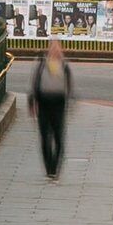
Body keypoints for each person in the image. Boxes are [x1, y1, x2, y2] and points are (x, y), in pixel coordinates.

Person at [35, 45, 74, 179]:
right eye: (53, 49)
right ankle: (49, 167)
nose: (55, 51)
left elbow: (69, 85)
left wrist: (70, 100)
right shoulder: (42, 65)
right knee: (45, 137)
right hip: (44, 103)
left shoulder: (64, 66)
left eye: (57, 49)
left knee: (58, 137)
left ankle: (55, 167)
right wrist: (33, 101)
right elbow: (36, 83)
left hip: (58, 104)